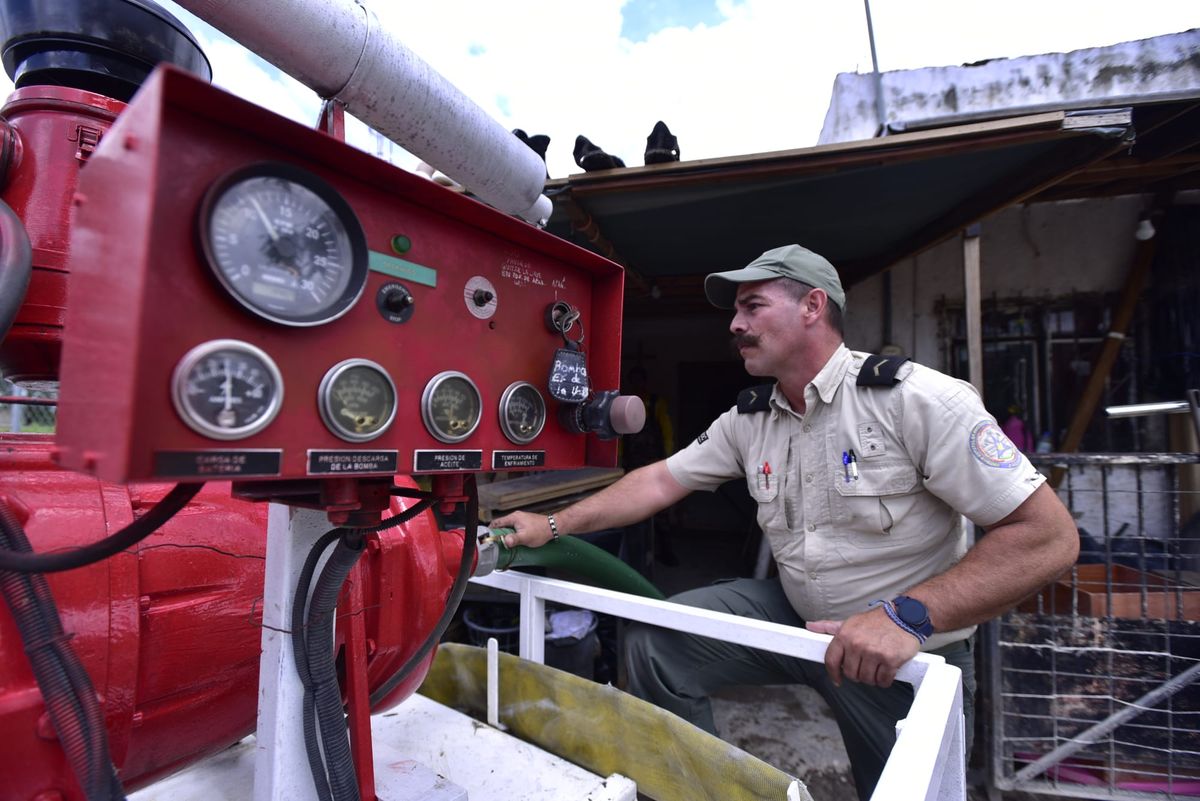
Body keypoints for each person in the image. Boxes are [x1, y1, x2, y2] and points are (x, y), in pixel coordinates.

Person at [493, 244, 1079, 800]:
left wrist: (906, 616)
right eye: (736, 311)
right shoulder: (750, 419)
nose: (735, 324)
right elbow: (659, 481)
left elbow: (1047, 538)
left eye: (752, 306)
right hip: (796, 621)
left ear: (812, 306)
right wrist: (553, 525)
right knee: (655, 643)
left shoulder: (914, 399)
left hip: (902, 653)